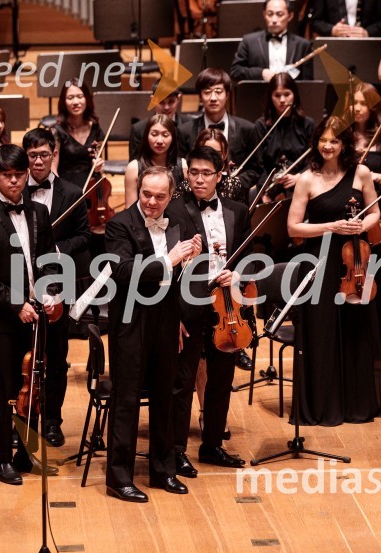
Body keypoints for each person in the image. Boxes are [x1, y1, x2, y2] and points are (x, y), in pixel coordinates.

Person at [104, 165, 201, 502]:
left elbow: (175, 279)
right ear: (139, 189)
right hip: (131, 323)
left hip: (165, 318)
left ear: (170, 195)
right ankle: (119, 477)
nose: (151, 202)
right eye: (146, 194)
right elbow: (124, 271)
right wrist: (170, 259)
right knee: (127, 399)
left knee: (164, 396)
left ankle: (163, 471)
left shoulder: (177, 222)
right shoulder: (119, 224)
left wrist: (189, 258)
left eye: (160, 196)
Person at [0, 144, 61, 485]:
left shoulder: (38, 213)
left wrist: (51, 293)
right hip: (3, 321)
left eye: (19, 175)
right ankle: (3, 458)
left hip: (37, 316)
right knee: (6, 391)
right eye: (7, 176)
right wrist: (14, 303)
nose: (15, 182)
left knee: (33, 386)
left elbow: (49, 258)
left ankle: (25, 452)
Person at [287, 116, 381, 425]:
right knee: (322, 332)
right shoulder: (307, 178)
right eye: (323, 140)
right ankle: (323, 407)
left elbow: (376, 213)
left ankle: (356, 406)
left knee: (355, 330)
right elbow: (293, 227)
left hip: (353, 261)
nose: (328, 146)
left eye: (334, 140)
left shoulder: (362, 173)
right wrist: (330, 226)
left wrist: (361, 224)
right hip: (320, 261)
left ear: (345, 144)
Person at [166, 146, 251, 479]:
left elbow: (250, 257)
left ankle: (212, 444)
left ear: (220, 175)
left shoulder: (238, 210)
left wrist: (239, 276)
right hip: (189, 308)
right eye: (194, 173)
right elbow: (169, 265)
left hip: (226, 310)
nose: (199, 179)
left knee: (221, 380)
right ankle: (175, 452)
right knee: (183, 382)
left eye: (206, 173)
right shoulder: (174, 210)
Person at [22, 128, 91, 446]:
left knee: (56, 355)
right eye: (32, 155)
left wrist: (58, 249)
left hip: (58, 283)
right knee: (23, 356)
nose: (38, 160)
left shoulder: (72, 191)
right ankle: (24, 418)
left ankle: (52, 420)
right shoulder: (15, 191)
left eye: (44, 154)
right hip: (22, 286)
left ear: (54, 155)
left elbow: (85, 236)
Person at [351, 82, 381, 356]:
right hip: (348, 216)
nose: (357, 108)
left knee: (376, 281)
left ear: (373, 107)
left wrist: (372, 176)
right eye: (353, 103)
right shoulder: (344, 136)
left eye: (362, 103)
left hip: (376, 220)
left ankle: (375, 344)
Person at [179, 68, 260, 190]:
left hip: (235, 200)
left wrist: (235, 183)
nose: (213, 98)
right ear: (200, 96)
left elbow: (256, 169)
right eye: (207, 92)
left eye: (218, 91)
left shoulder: (247, 129)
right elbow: (179, 168)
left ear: (227, 94)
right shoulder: (184, 131)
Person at [254, 73, 315, 199]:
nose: (282, 100)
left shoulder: (307, 124)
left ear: (294, 95)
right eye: (277, 95)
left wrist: (299, 177)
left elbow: (314, 159)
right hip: (270, 190)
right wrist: (265, 193)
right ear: (271, 97)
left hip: (303, 186)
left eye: (287, 94)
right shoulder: (261, 126)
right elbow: (259, 166)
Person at [230, 0, 313, 82]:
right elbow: (235, 71)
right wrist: (261, 73)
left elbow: (307, 83)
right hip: (259, 94)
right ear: (264, 14)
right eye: (270, 14)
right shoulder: (249, 41)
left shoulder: (303, 45)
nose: (274, 19)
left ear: (290, 16)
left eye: (279, 14)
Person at [51, 78, 105, 189]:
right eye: (70, 98)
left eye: (80, 97)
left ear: (87, 99)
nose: (76, 102)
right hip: (66, 190)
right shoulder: (56, 131)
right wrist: (62, 193)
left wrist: (98, 167)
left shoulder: (95, 127)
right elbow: (53, 170)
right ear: (63, 102)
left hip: (90, 190)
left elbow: (99, 162)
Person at [125, 114, 187, 207]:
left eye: (165, 135)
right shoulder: (133, 168)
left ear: (173, 138)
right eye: (154, 134)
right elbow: (130, 211)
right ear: (146, 136)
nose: (159, 141)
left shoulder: (183, 166)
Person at [128, 78, 191, 159]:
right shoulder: (138, 129)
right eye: (161, 102)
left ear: (179, 98)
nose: (166, 107)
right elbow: (135, 164)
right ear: (152, 100)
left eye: (171, 101)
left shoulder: (190, 126)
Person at [309, 0, 381, 38]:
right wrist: (332, 30)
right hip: (334, 47)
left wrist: (367, 33)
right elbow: (315, 21)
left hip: (366, 49)